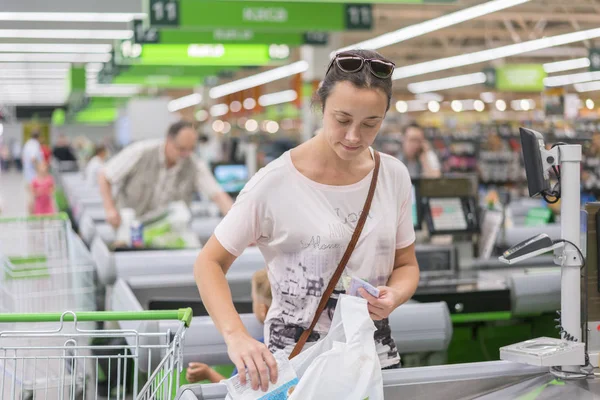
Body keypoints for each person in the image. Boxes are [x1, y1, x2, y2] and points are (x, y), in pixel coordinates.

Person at [194, 49, 420, 392]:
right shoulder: (273, 183)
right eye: (342, 120)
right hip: (293, 371)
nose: (354, 136)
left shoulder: (394, 176)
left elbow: (406, 264)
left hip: (373, 361)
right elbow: (209, 262)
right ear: (321, 107)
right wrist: (236, 337)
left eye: (370, 124)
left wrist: (395, 295)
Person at [98, 120, 234, 228]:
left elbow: (218, 195)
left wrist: (239, 226)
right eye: (181, 149)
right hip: (131, 226)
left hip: (168, 230)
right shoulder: (141, 152)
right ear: (168, 140)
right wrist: (110, 209)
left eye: (191, 149)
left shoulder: (194, 164)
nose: (186, 154)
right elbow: (105, 176)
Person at [186, 268, 272, 384]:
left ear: (263, 310)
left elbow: (234, 390)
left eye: (253, 300)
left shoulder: (254, 351)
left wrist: (209, 373)